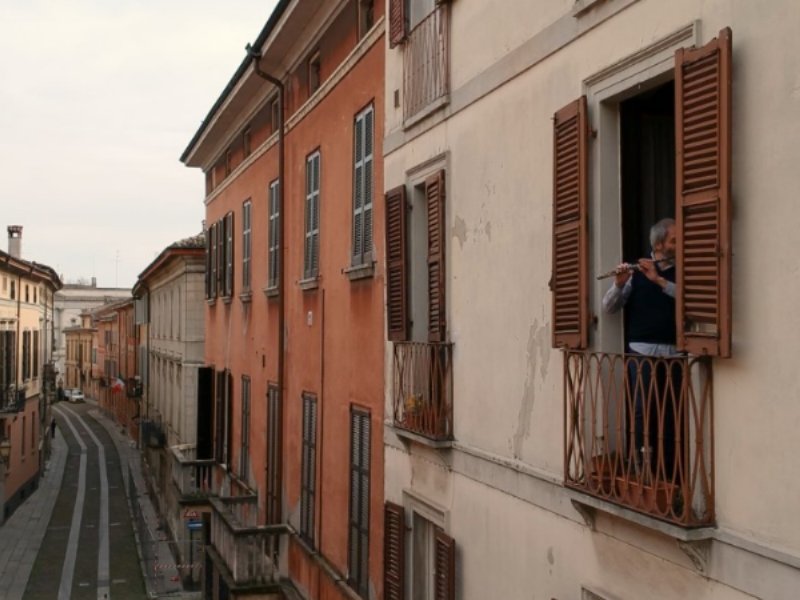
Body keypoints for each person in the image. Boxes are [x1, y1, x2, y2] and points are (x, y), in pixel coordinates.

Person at [603, 218, 681, 481]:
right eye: (674, 240)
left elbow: (690, 297)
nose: (680, 244)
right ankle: (643, 472)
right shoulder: (634, 274)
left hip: (674, 354)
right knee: (643, 412)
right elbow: (608, 308)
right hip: (642, 352)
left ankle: (671, 473)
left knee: (672, 412)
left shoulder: (682, 270)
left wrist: (659, 280)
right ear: (659, 244)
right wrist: (618, 283)